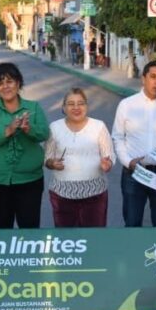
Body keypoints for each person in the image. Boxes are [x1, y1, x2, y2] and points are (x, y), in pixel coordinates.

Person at [112, 60, 156, 227]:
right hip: (134, 173)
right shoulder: (126, 105)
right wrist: (128, 162)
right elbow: (117, 137)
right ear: (143, 79)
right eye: (152, 77)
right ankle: (132, 252)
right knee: (132, 223)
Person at [0, 62, 49, 228]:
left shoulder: (33, 107)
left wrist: (29, 129)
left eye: (9, 81)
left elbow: (44, 133)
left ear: (18, 83)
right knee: (2, 227)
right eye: (0, 83)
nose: (5, 87)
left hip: (29, 180)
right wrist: (7, 131)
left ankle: (29, 254)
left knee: (30, 227)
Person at [44, 88, 115, 227]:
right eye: (71, 104)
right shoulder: (54, 127)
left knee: (94, 239)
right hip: (62, 195)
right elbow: (47, 158)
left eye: (81, 103)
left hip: (95, 195)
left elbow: (109, 154)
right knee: (66, 241)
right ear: (64, 107)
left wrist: (107, 163)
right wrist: (52, 163)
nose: (76, 107)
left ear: (86, 106)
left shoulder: (98, 126)